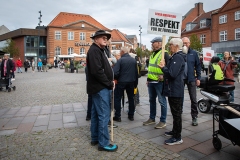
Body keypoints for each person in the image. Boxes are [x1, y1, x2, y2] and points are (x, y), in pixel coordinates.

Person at [87, 30, 118, 152]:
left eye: (107, 38)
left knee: (96, 114)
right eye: (103, 37)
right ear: (96, 39)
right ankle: (104, 143)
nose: (106, 39)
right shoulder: (95, 51)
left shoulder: (99, 50)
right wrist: (109, 83)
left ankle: (96, 138)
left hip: (98, 88)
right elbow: (97, 71)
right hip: (100, 88)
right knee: (104, 115)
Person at [159, 38, 185, 145]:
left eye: (170, 45)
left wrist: (163, 68)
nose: (169, 46)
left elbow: (172, 74)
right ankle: (175, 131)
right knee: (175, 114)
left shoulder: (178, 57)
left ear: (176, 46)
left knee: (176, 114)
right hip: (173, 89)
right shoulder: (175, 57)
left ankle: (177, 137)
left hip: (175, 90)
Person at [143, 37, 169, 129]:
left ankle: (163, 121)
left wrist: (164, 76)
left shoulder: (164, 54)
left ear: (159, 43)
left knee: (162, 101)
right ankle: (152, 118)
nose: (152, 44)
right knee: (152, 100)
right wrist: (148, 79)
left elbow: (169, 69)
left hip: (159, 82)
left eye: (153, 42)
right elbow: (151, 68)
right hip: (151, 81)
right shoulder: (153, 54)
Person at [113, 47, 138, 121]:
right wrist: (135, 83)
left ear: (122, 52)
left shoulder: (120, 60)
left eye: (120, 52)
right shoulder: (133, 60)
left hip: (121, 82)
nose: (120, 53)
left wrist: (116, 78)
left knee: (117, 98)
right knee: (131, 98)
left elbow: (115, 72)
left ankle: (118, 116)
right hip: (131, 82)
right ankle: (131, 115)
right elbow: (136, 73)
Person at [182, 37, 201, 126]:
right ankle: (179, 113)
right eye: (183, 43)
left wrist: (198, 78)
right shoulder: (179, 53)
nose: (185, 44)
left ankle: (194, 117)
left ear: (189, 43)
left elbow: (198, 66)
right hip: (181, 79)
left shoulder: (193, 53)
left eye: (186, 43)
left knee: (193, 98)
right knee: (179, 97)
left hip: (191, 78)